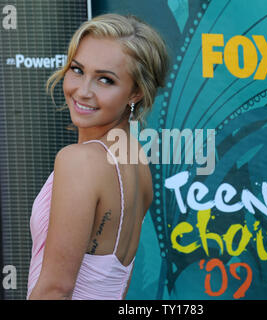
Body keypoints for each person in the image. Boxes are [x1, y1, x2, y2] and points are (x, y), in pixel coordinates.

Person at [26, 13, 169, 300]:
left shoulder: (80, 161)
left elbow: (55, 290)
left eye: (105, 80)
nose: (83, 91)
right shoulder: (135, 160)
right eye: (77, 70)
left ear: (136, 93)